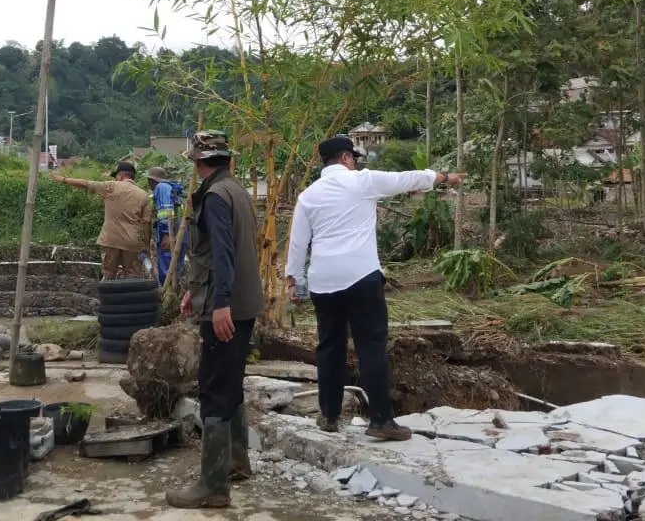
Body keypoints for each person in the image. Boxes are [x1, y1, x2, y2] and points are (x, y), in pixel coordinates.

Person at [285, 135, 463, 441]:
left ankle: (328, 416)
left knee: (329, 348)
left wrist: (293, 280)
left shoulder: (308, 196)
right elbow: (407, 179)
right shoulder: (362, 182)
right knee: (371, 347)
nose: (355, 162)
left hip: (323, 282)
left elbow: (298, 243)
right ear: (345, 158)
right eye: (353, 157)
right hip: (360, 277)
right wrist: (444, 177)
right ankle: (381, 420)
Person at [167, 131, 263, 509]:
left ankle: (213, 484)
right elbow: (219, 252)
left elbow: (224, 254)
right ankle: (237, 461)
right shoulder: (236, 190)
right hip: (243, 302)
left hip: (227, 307)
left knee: (213, 390)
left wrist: (219, 303)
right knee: (231, 382)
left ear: (198, 161)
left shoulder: (214, 196)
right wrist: (197, 289)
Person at [50, 161, 152, 279]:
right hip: (131, 242)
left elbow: (85, 184)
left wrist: (63, 179)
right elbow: (146, 223)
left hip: (110, 240)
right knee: (132, 275)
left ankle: (108, 296)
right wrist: (146, 246)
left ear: (120, 176)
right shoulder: (143, 195)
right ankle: (130, 297)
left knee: (109, 274)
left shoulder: (110, 186)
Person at [146, 166, 185, 286]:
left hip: (169, 231)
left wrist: (166, 235)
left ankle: (167, 292)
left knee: (166, 266)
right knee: (175, 266)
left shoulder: (161, 188)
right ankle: (173, 291)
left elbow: (166, 212)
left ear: (152, 180)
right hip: (179, 230)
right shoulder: (170, 188)